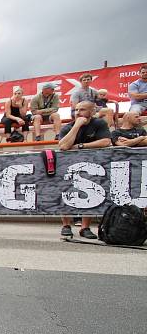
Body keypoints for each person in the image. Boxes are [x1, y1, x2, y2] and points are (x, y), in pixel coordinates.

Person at [57, 101, 112, 240]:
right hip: (70, 166)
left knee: (91, 195)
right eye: (76, 109)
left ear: (92, 111)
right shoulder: (68, 127)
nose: (78, 112)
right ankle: (66, 225)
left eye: (82, 109)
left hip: (92, 165)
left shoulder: (99, 124)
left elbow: (105, 141)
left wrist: (80, 145)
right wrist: (77, 125)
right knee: (67, 193)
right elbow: (63, 145)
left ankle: (85, 227)